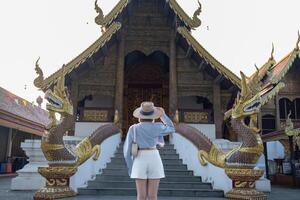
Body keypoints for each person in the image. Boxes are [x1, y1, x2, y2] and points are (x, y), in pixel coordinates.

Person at [123, 102, 175, 200]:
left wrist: (131, 168)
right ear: (154, 116)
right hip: (154, 156)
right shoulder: (158, 126)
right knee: (153, 196)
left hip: (139, 158)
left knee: (141, 196)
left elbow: (127, 153)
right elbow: (172, 128)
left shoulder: (133, 128)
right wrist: (163, 115)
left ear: (140, 116)